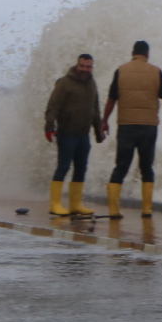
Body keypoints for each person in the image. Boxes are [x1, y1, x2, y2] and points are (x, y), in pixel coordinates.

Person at [100, 40, 162, 218]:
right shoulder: (156, 71)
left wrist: (104, 120)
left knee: (121, 166)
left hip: (126, 126)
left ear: (132, 53)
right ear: (147, 54)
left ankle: (113, 210)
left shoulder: (121, 70)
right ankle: (147, 209)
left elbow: (112, 99)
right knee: (146, 166)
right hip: (148, 127)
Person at [43, 53, 104, 217]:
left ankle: (75, 204)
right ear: (77, 65)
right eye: (83, 66)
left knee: (81, 168)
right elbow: (53, 106)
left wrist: (99, 130)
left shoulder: (92, 84)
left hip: (84, 135)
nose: (85, 69)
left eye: (89, 66)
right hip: (67, 133)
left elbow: (95, 109)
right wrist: (49, 126)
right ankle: (55, 204)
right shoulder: (65, 83)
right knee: (63, 167)